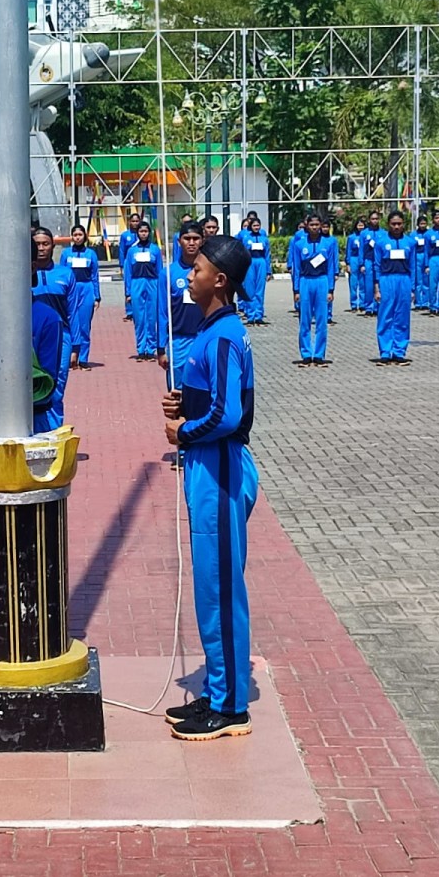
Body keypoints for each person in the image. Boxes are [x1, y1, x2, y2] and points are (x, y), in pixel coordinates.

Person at [160, 234, 258, 741]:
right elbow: (210, 398)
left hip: (219, 469)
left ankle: (231, 706)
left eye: (196, 268)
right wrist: (184, 405)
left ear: (219, 279)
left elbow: (228, 415)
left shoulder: (222, 334)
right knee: (211, 588)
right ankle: (219, 690)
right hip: (207, 467)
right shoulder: (212, 329)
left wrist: (184, 430)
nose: (189, 274)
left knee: (220, 592)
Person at [0, 238, 65, 435]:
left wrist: (7, 391)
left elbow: (47, 383)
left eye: (12, 263)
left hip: (33, 424)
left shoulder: (48, 319)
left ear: (32, 267)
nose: (3, 270)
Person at [31, 226, 75, 424]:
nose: (41, 248)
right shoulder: (22, 274)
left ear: (53, 246)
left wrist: (77, 346)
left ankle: (54, 429)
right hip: (33, 335)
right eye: (37, 244)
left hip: (61, 336)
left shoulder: (65, 274)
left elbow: (73, 312)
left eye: (45, 244)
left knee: (56, 383)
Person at [158, 221, 205, 393]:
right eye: (187, 238)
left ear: (202, 241)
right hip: (178, 341)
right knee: (178, 391)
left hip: (204, 337)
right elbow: (162, 313)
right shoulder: (168, 273)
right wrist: (160, 348)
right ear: (179, 242)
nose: (191, 243)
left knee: (204, 388)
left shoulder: (210, 270)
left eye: (196, 238)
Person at [290, 215, 336, 367]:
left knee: (322, 320)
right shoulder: (299, 244)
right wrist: (296, 290)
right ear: (306, 225)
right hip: (305, 281)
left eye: (317, 224)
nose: (315, 227)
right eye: (312, 225)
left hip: (321, 281)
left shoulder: (328, 244)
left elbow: (331, 268)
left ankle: (318, 354)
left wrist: (331, 289)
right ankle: (306, 353)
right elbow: (296, 268)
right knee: (305, 319)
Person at [372, 211, 415, 366]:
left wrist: (413, 288)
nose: (396, 227)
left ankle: (399, 352)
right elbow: (376, 266)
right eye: (393, 224)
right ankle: (385, 352)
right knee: (385, 316)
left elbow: (413, 266)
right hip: (386, 280)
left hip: (404, 280)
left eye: (399, 224)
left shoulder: (410, 243)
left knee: (402, 317)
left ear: (403, 224)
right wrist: (376, 288)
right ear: (388, 225)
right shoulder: (381, 242)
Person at [61, 223, 101, 370]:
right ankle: (71, 356)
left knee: (84, 325)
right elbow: (62, 274)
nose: (77, 237)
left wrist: (97, 296)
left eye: (80, 235)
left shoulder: (91, 254)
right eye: (75, 235)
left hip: (86, 289)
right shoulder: (66, 253)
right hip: (71, 289)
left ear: (84, 236)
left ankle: (83, 359)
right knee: (70, 323)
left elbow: (95, 275)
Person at [124, 220, 162, 361]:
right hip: (136, 283)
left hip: (152, 283)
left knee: (152, 318)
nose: (143, 234)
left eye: (146, 231)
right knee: (139, 318)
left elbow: (160, 270)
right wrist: (128, 292)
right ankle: (141, 349)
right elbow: (128, 272)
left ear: (149, 232)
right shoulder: (132, 251)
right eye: (141, 231)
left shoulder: (155, 249)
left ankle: (151, 350)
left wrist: (161, 290)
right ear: (137, 233)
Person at [238, 217, 271, 326]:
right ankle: (251, 315)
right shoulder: (246, 237)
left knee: (260, 291)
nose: (256, 228)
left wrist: (268, 271)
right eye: (254, 226)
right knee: (250, 290)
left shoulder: (264, 238)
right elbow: (243, 250)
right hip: (250, 263)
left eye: (258, 225)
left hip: (261, 262)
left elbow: (267, 255)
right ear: (250, 227)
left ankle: (259, 315)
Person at [118, 212, 141, 322]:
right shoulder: (124, 235)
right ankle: (129, 311)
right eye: (133, 221)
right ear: (129, 222)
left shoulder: (142, 233)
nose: (135, 223)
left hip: (139, 261)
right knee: (128, 285)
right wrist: (121, 265)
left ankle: (138, 309)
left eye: (137, 221)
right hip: (128, 261)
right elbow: (122, 250)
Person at [360, 212, 383, 317]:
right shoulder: (364, 233)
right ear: (369, 220)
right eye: (373, 219)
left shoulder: (383, 233)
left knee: (379, 284)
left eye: (376, 218)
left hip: (380, 262)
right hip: (368, 260)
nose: (375, 221)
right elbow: (361, 249)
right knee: (368, 285)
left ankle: (378, 306)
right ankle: (369, 307)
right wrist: (362, 264)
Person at [345, 218, 366, 313]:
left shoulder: (366, 236)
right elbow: (348, 250)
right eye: (359, 225)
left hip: (363, 259)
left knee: (363, 283)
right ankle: (354, 304)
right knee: (353, 283)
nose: (360, 227)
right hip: (354, 259)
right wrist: (348, 263)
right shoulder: (351, 237)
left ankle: (362, 304)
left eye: (362, 225)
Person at [410, 215, 430, 312]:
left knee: (426, 280)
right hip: (416, 257)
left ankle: (426, 302)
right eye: (421, 223)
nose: (423, 225)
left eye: (424, 223)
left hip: (426, 257)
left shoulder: (429, 234)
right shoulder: (413, 235)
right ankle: (418, 302)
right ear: (417, 224)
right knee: (418, 280)